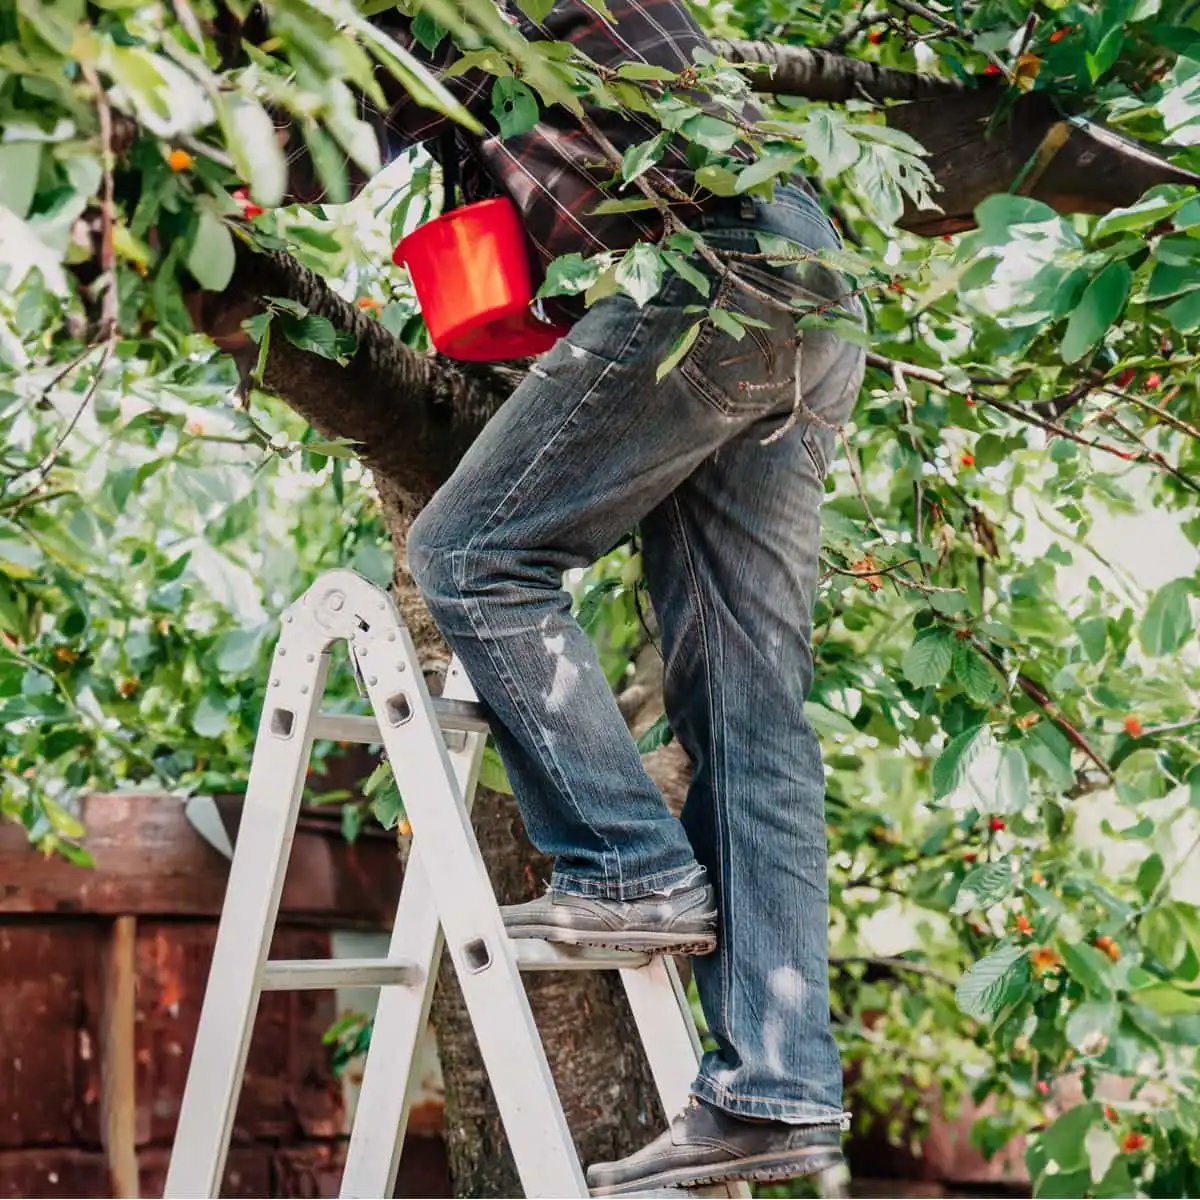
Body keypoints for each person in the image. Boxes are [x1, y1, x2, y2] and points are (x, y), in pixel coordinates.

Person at [264, 0, 866, 1191]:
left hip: (708, 278)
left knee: (473, 558)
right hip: (812, 284)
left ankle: (630, 867)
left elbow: (312, 147)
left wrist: (165, 138)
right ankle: (777, 1084)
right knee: (749, 703)